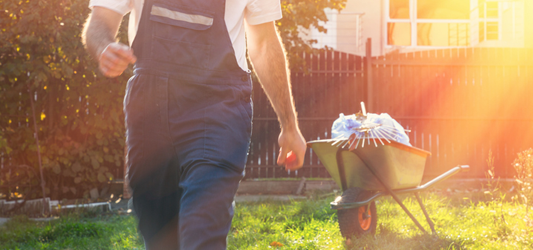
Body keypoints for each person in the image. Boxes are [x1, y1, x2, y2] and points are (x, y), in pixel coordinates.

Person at [82, 0, 306, 249]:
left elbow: (264, 43)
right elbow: (100, 20)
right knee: (158, 234)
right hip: (149, 112)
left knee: (202, 229)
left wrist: (289, 124)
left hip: (218, 111)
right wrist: (104, 47)